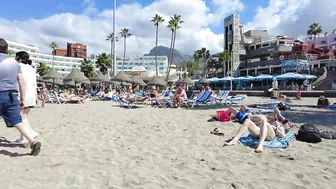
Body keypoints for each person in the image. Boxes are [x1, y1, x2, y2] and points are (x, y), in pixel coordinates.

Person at [0, 38, 41, 156]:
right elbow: (21, 82)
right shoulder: (14, 63)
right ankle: (32, 142)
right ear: (6, 50)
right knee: (18, 121)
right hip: (12, 95)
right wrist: (22, 99)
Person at [15, 51, 39, 144]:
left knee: (20, 118)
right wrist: (36, 96)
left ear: (19, 58)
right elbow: (34, 84)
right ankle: (22, 139)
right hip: (31, 95)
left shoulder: (18, 66)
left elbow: (19, 82)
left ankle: (31, 133)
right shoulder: (31, 68)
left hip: (22, 94)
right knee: (25, 116)